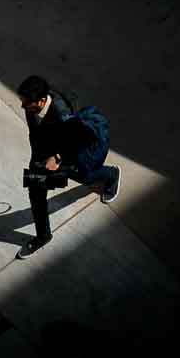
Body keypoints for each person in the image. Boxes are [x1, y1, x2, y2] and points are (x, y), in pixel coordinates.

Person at [16, 74, 120, 260]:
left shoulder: (63, 115)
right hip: (45, 154)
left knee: (86, 177)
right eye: (22, 101)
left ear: (41, 101)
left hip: (70, 155)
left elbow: (83, 139)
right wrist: (37, 161)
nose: (22, 106)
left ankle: (111, 175)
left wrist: (57, 157)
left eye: (26, 103)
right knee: (35, 190)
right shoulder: (32, 106)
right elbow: (35, 133)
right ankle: (43, 235)